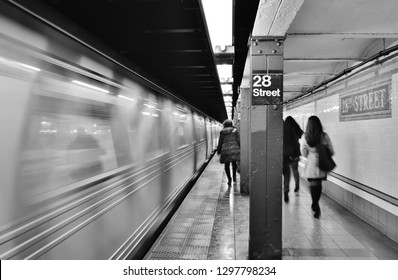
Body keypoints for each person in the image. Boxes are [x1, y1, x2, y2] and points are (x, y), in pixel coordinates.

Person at [300, 116, 334, 218]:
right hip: (322, 163)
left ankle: (315, 203)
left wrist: (310, 153)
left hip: (311, 163)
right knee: (318, 184)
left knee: (313, 183)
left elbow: (303, 152)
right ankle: (316, 203)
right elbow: (331, 151)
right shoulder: (324, 136)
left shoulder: (305, 137)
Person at [283, 116, 303, 202]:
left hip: (283, 153)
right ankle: (296, 186)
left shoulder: (282, 127)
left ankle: (286, 188)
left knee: (285, 172)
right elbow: (298, 138)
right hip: (293, 152)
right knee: (294, 170)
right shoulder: (294, 128)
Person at [217, 119, 240, 185]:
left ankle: (229, 179)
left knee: (226, 165)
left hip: (225, 151)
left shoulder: (222, 132)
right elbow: (238, 140)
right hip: (234, 151)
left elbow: (220, 142)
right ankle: (234, 177)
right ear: (231, 124)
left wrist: (219, 150)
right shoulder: (235, 131)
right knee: (234, 164)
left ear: (225, 125)